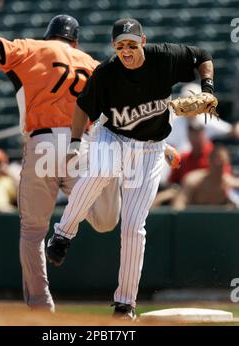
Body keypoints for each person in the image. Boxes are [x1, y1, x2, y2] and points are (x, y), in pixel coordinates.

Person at [46, 18, 216, 320]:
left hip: (150, 148)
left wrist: (208, 87)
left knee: (134, 227)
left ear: (143, 41)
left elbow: (202, 55)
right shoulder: (107, 73)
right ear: (114, 47)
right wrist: (73, 140)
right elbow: (83, 106)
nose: (126, 50)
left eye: (132, 45)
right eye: (120, 45)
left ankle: (125, 304)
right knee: (100, 172)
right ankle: (62, 235)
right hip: (110, 136)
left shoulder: (164, 56)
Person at [0, 14, 121, 312]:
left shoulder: (32, 47)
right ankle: (105, 177)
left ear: (49, 35)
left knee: (32, 230)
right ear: (75, 41)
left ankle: (41, 307)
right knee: (106, 222)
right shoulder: (93, 64)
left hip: (42, 142)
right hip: (82, 145)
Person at [172, 145, 239, 210]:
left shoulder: (232, 184)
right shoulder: (193, 180)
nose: (220, 166)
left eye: (223, 163)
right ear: (209, 161)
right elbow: (179, 205)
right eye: (217, 161)